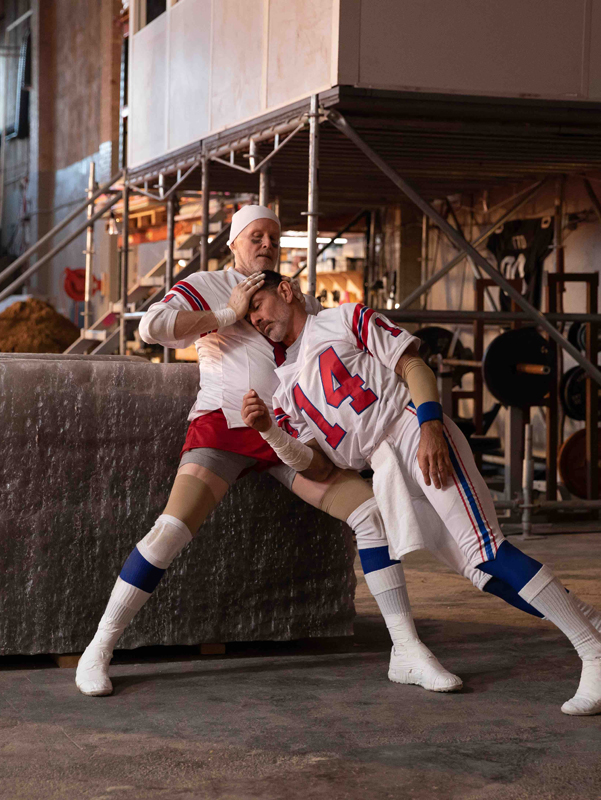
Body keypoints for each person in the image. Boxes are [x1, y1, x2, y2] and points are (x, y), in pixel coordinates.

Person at [75, 206, 460, 697]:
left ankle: (406, 649)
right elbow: (152, 327)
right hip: (224, 425)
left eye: (274, 238)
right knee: (170, 529)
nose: (267, 244)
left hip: (289, 431)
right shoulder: (209, 283)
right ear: (233, 243)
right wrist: (227, 314)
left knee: (370, 514)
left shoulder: (292, 296)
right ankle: (99, 648)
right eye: (256, 236)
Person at [241, 271, 601, 715]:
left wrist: (430, 426)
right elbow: (322, 468)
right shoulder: (282, 389)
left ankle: (596, 652)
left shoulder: (343, 318)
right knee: (481, 573)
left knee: (485, 548)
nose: (256, 320)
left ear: (286, 291)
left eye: (257, 306)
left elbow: (413, 365)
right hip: (383, 467)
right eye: (249, 318)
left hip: (411, 429)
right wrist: (269, 432)